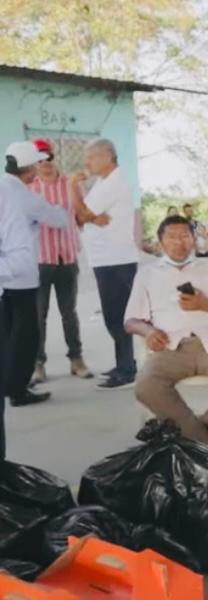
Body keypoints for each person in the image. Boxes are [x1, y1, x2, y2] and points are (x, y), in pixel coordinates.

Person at [125, 215, 208, 444]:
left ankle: (197, 441)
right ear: (160, 242)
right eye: (172, 237)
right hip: (170, 346)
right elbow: (130, 321)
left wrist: (206, 304)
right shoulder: (148, 274)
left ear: (194, 239)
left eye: (185, 236)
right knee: (146, 387)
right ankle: (203, 442)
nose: (179, 242)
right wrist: (148, 332)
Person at [69, 138, 140, 390]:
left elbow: (82, 213)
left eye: (91, 157)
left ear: (107, 156)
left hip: (115, 259)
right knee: (114, 315)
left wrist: (73, 187)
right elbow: (84, 216)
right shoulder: (103, 182)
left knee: (117, 317)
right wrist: (90, 217)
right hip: (106, 259)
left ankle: (127, 371)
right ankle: (124, 363)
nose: (87, 163)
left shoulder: (113, 182)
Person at [1, 142, 68, 406]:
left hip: (5, 280)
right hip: (21, 278)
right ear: (28, 169)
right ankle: (18, 390)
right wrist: (63, 207)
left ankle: (9, 383)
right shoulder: (25, 197)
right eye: (36, 166)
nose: (38, 171)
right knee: (26, 336)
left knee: (8, 335)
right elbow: (58, 219)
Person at [29, 139, 93, 385]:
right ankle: (38, 364)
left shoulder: (70, 184)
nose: (45, 163)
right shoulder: (29, 188)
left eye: (48, 157)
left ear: (54, 158)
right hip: (40, 260)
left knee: (69, 313)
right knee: (38, 315)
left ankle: (76, 360)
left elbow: (81, 216)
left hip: (67, 257)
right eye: (39, 159)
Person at [1, 145, 39, 454]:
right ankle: (16, 387)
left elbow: (20, 259)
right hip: (19, 284)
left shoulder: (10, 195)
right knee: (23, 335)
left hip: (16, 283)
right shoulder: (16, 195)